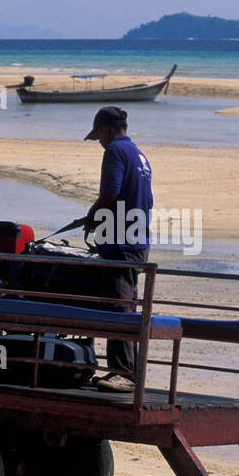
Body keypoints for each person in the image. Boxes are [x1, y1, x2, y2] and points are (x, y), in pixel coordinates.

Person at [82, 105, 152, 394]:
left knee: (118, 306)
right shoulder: (139, 154)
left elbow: (110, 193)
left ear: (108, 129)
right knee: (127, 304)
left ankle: (123, 373)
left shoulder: (114, 151)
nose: (99, 141)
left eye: (98, 135)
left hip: (121, 241)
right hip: (136, 238)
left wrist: (91, 215)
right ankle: (128, 370)